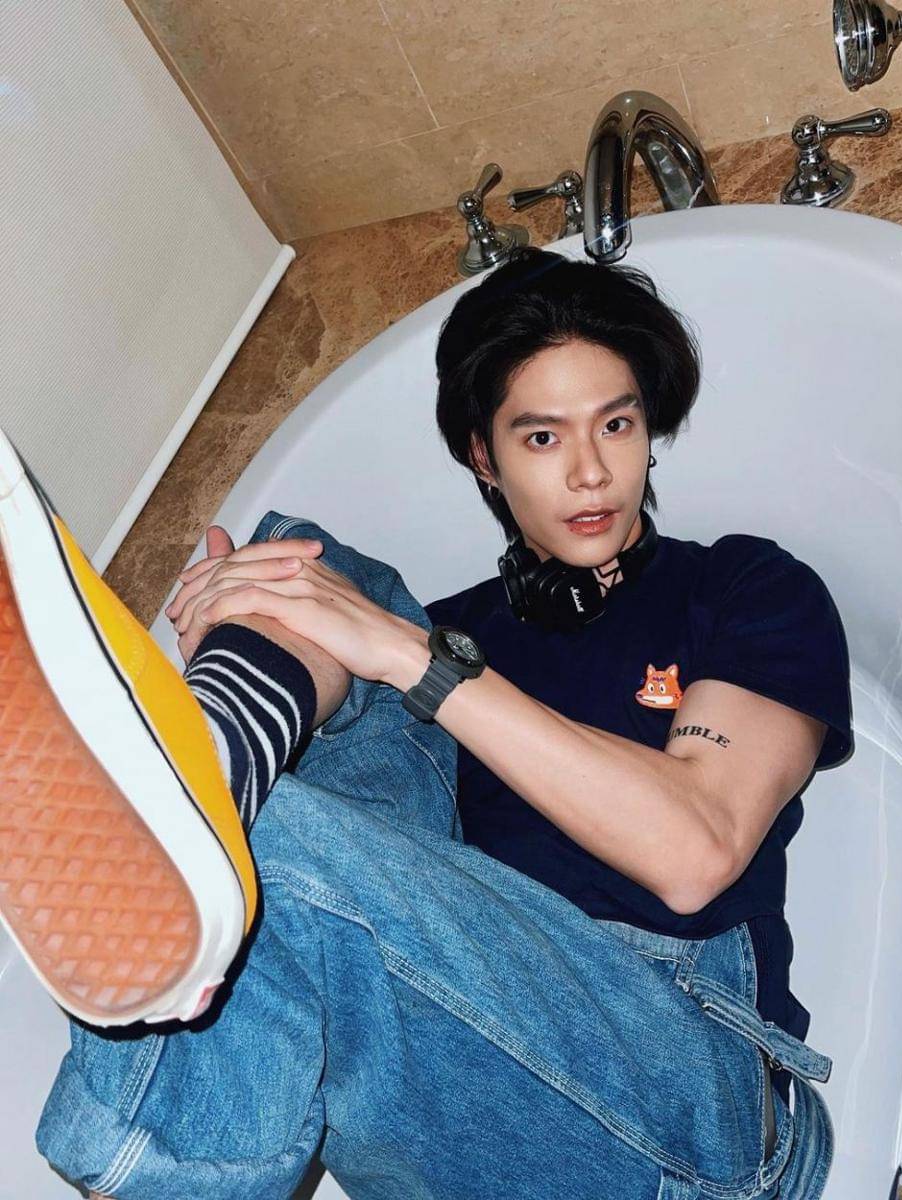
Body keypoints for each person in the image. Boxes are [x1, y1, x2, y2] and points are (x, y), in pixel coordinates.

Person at [8, 246, 852, 1199]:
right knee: (314, 570)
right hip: (461, 1079)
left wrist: (415, 659)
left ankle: (203, 790)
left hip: (688, 1100)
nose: (591, 472)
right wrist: (302, 614)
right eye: (543, 438)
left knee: (272, 831)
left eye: (616, 424)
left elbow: (697, 849)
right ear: (483, 457)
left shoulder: (744, 587)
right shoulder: (439, 632)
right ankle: (217, 748)